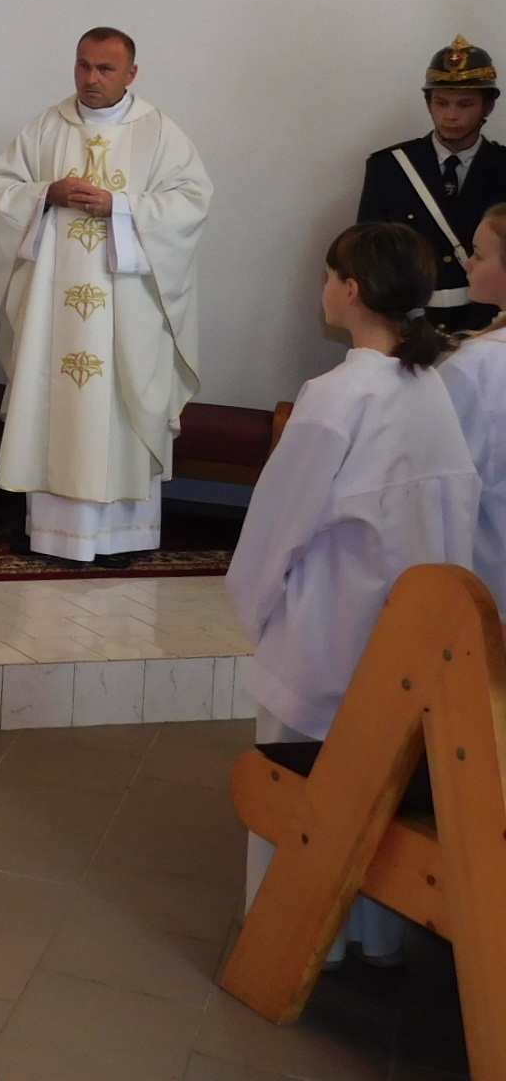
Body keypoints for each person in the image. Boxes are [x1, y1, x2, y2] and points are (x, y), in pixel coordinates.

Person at [227, 222, 478, 967]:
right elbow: (458, 507)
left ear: (352, 289)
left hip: (327, 629)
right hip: (406, 636)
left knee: (301, 788)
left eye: (327, 275)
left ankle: (289, 939)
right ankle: (375, 936)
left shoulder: (337, 395)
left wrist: (260, 609)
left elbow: (280, 524)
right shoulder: (430, 388)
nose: (323, 288)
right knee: (380, 783)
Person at [0, 28, 213, 565]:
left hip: (127, 306)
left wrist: (121, 207)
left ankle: (121, 536)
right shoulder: (47, 126)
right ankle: (51, 532)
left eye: (106, 69)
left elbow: (192, 203)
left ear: (131, 73)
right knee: (52, 399)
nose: (91, 78)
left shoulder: (159, 132)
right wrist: (47, 193)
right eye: (83, 65)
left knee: (119, 405)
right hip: (53, 306)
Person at [357, 36, 505, 334]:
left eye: (465, 104)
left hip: (489, 328)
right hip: (413, 328)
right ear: (428, 103)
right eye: (441, 102)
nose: (451, 115)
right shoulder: (390, 167)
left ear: (488, 107)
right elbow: (370, 256)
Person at [440, 201, 506, 603]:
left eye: (479, 255)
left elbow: (442, 484)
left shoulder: (479, 364)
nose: (468, 264)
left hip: (486, 585)